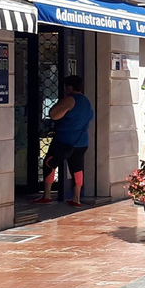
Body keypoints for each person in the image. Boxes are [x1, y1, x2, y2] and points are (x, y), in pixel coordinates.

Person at [37, 75, 93, 206]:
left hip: (64, 140)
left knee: (50, 163)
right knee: (77, 167)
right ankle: (76, 198)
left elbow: (54, 115)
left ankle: (47, 195)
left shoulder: (70, 99)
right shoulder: (86, 101)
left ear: (70, 87)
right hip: (82, 141)